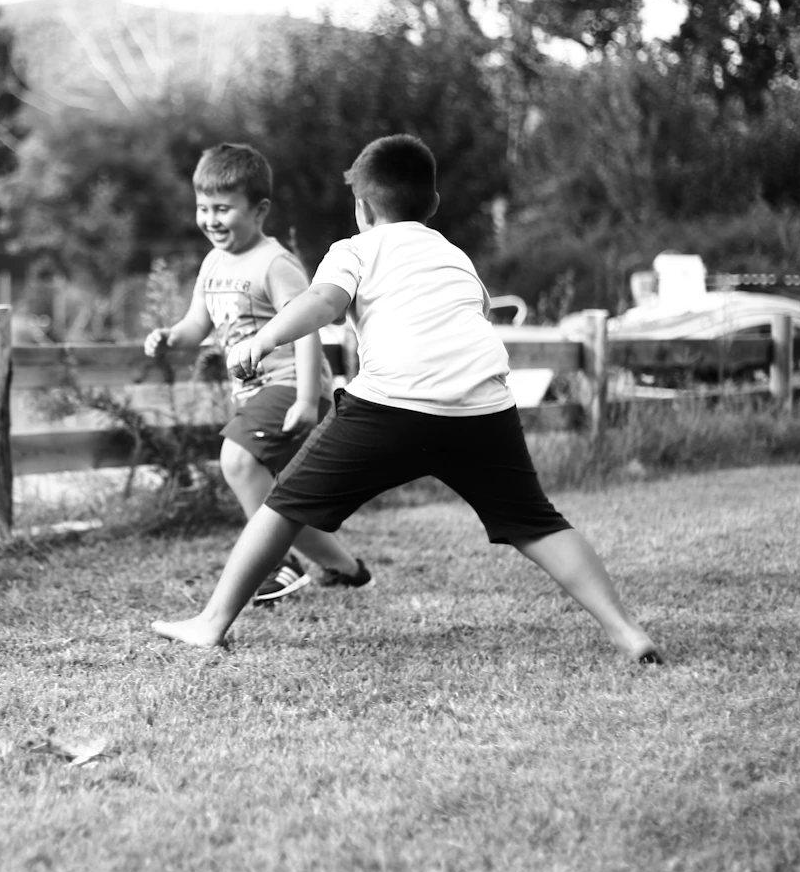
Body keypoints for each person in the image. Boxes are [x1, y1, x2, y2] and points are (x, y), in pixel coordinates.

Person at [152, 134, 662, 664]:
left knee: (281, 506)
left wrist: (263, 338)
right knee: (537, 523)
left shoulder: (354, 249)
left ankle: (212, 623)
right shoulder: (455, 255)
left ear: (362, 207)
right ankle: (625, 630)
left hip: (390, 407)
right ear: (433, 206)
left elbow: (323, 302)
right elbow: (472, 320)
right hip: (484, 408)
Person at [143, 143, 370, 602]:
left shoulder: (274, 262)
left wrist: (308, 398)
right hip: (254, 396)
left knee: (236, 460)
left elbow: (305, 327)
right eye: (203, 208)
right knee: (278, 500)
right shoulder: (212, 263)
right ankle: (345, 568)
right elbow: (197, 325)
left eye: (223, 209)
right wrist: (170, 337)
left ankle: (278, 563)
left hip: (289, 385)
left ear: (260, 209)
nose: (210, 220)